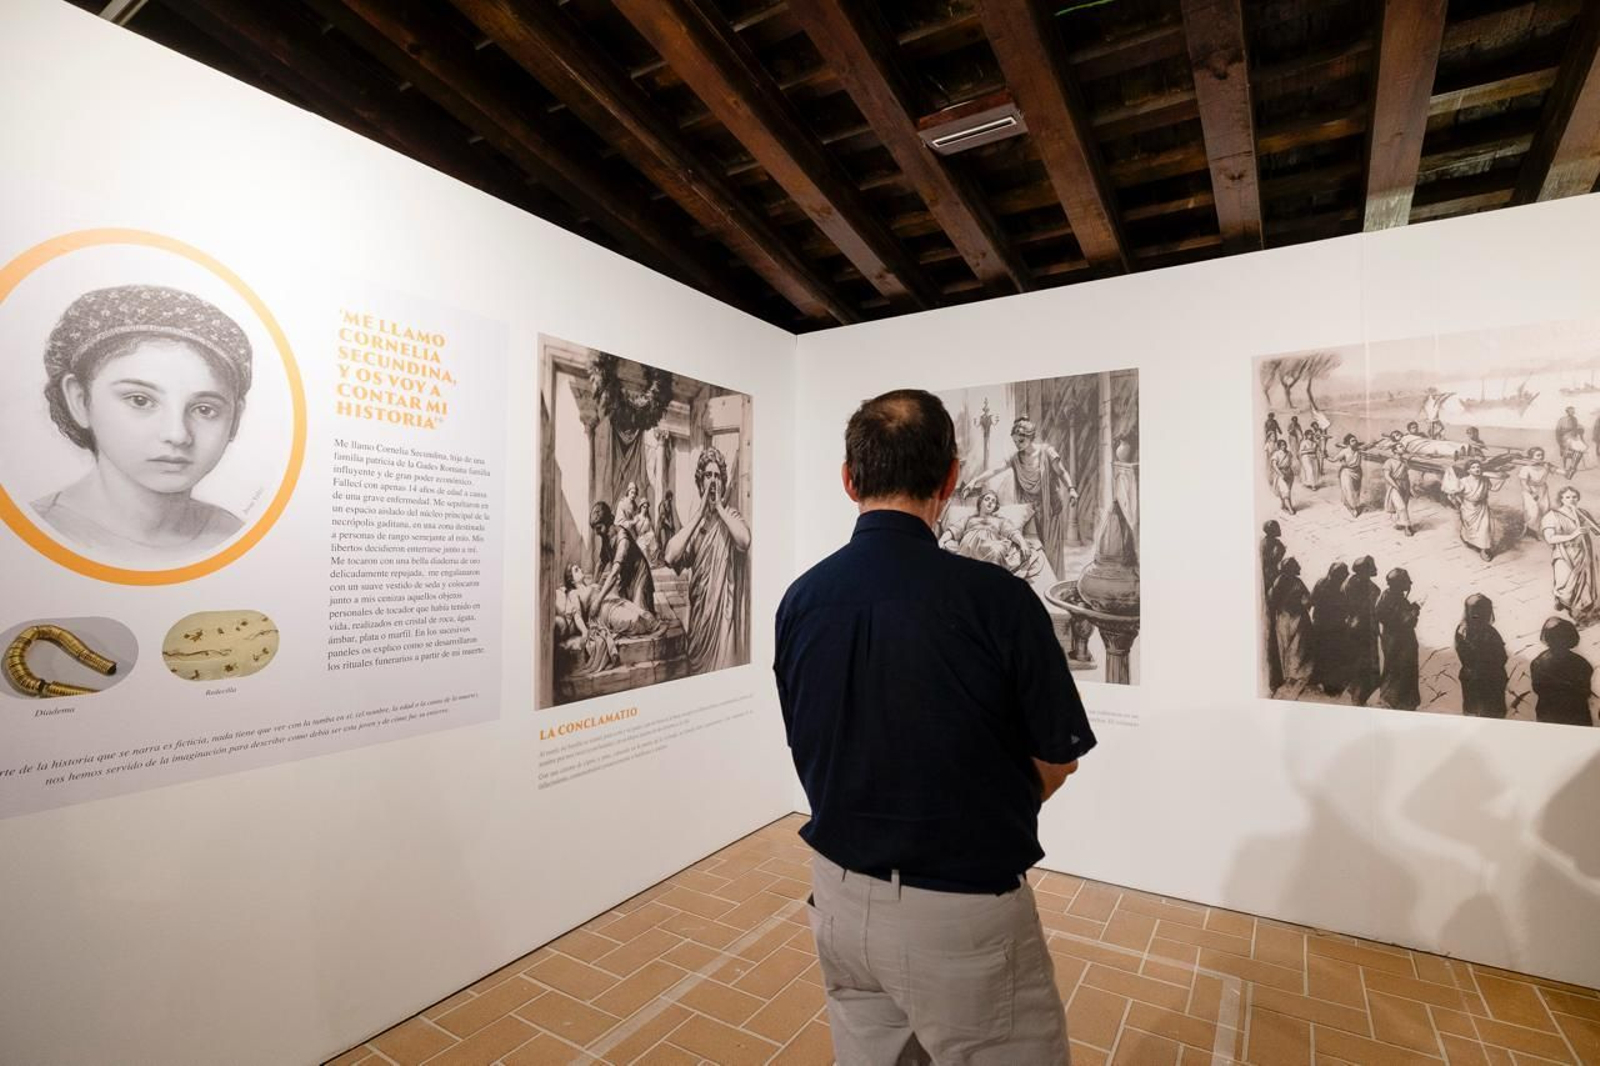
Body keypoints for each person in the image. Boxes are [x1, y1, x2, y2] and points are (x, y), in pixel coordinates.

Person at [775, 389, 1093, 1065]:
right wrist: (969, 806)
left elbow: (810, 736)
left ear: (848, 479)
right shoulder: (998, 600)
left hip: (836, 894)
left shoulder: (800, 600)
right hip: (963, 913)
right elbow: (1055, 760)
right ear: (950, 479)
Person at [30, 284, 254, 565]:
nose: (177, 434)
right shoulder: (42, 528)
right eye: (139, 400)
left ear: (235, 420)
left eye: (204, 409)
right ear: (79, 400)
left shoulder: (235, 535)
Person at [664, 446, 751, 675]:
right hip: (700, 619)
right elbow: (670, 555)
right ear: (700, 482)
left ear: (722, 482)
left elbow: (744, 540)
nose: (712, 482)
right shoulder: (697, 526)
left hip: (722, 618)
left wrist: (720, 509)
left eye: (717, 476)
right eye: (707, 476)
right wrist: (700, 514)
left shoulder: (730, 516)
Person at [959, 416, 1078, 577]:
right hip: (1028, 507)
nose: (1018, 444)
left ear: (1030, 437)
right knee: (1032, 545)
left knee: (1051, 548)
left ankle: (1053, 581)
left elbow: (1062, 472)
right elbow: (995, 470)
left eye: (1020, 441)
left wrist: (1071, 488)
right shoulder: (1016, 458)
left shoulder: (1047, 452)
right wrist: (974, 481)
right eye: (1015, 441)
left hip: (1050, 507)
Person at [939, 488, 1040, 578]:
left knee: (996, 550)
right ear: (980, 503)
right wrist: (941, 540)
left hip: (992, 546)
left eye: (993, 501)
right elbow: (953, 530)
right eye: (987, 499)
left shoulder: (1000, 521)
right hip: (970, 546)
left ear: (995, 506)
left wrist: (1022, 543)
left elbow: (1013, 533)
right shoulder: (969, 519)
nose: (990, 502)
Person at [590, 501, 657, 617]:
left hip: (639, 577)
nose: (596, 533)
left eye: (599, 528)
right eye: (595, 529)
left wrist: (598, 600)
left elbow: (615, 572)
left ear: (607, 522)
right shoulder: (606, 539)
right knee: (626, 614)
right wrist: (593, 588)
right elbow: (600, 563)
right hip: (626, 578)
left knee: (642, 616)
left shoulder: (622, 538)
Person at [1541, 486, 1597, 620]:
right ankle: (1561, 599)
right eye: (1567, 497)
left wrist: (1594, 527)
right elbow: (1550, 538)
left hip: (1583, 552)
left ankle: (1578, 610)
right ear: (1561, 499)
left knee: (1584, 584)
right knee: (1565, 584)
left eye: (1574, 497)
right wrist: (1573, 535)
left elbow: (1596, 529)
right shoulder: (1552, 515)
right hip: (1564, 554)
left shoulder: (1582, 512)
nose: (1572, 500)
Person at [1530, 617, 1595, 727]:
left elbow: (1537, 688)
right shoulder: (1581, 663)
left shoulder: (1538, 662)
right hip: (1576, 715)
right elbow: (1586, 690)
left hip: (1548, 714)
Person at [1375, 568, 1422, 710]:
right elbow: (1405, 621)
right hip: (1400, 641)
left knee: (1395, 668)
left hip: (1392, 639)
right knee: (1401, 668)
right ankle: (1396, 700)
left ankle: (1395, 699)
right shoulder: (1393, 598)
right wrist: (1414, 610)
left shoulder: (1388, 595)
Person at [1455, 594, 1507, 718]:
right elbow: (1501, 657)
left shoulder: (1461, 630)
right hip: (1490, 680)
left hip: (1469, 677)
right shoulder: (1489, 633)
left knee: (1472, 711)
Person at [1269, 558, 1313, 692]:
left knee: (1296, 646)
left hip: (1296, 618)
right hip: (1287, 617)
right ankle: (1289, 675)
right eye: (1295, 565)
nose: (1298, 567)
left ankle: (1294, 674)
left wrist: (1305, 603)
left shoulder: (1296, 582)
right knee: (1287, 645)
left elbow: (1306, 598)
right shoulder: (1281, 581)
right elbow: (1272, 598)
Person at [1342, 556, 1381, 705]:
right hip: (1362, 627)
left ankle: (1359, 691)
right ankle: (1359, 694)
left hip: (1359, 626)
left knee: (1361, 660)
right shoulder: (1364, 587)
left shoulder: (1353, 583)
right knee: (1363, 662)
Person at [1450, 459, 1505, 562]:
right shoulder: (1463, 481)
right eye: (1473, 467)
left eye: (1478, 467)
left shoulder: (1484, 479)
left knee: (1485, 528)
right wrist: (1459, 502)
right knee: (1471, 529)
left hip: (1482, 507)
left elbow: (1494, 488)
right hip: (1468, 508)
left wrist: (1503, 479)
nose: (1476, 469)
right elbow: (1454, 493)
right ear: (1468, 470)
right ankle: (1468, 539)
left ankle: (1485, 549)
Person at [1310, 562, 1351, 695]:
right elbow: (1313, 600)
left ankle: (1327, 684)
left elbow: (1312, 600)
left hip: (1328, 625)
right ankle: (1326, 685)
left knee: (1329, 656)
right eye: (1342, 574)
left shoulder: (1328, 584)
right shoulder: (1334, 586)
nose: (1344, 577)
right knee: (1328, 655)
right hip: (1328, 626)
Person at [614, 480, 659, 561]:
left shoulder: (634, 505)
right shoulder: (622, 504)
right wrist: (633, 522)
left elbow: (638, 522)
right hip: (622, 531)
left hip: (634, 534)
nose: (633, 495)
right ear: (628, 492)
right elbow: (619, 522)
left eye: (635, 493)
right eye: (632, 492)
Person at [1520, 447, 1554, 540]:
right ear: (1531, 456)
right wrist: (1532, 493)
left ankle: (1538, 531)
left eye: (1542, 455)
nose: (1541, 457)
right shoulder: (1526, 468)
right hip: (1530, 490)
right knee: (1533, 512)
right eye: (1538, 455)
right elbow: (1523, 483)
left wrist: (1570, 471)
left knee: (1544, 509)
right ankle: (1529, 529)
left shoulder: (1545, 466)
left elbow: (1561, 472)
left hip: (1543, 490)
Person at [1382, 441, 1414, 536]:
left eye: (1403, 446)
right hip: (1395, 485)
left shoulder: (1404, 461)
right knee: (1401, 506)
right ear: (1395, 450)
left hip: (1405, 484)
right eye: (1400, 447)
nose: (1403, 448)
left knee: (1404, 505)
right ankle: (1408, 527)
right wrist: (1396, 486)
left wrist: (1408, 487)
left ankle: (1400, 522)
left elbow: (1407, 474)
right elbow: (1387, 476)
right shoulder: (1389, 462)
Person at [1334, 434, 1364, 517]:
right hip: (1346, 472)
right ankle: (1353, 508)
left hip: (1357, 472)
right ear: (1348, 443)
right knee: (1349, 490)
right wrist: (1325, 456)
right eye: (1352, 441)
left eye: (1355, 440)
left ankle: (1349, 503)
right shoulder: (1344, 451)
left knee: (1356, 491)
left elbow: (1366, 446)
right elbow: (1334, 459)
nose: (1355, 442)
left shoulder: (1359, 450)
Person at [1557, 406, 1586, 479]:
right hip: (1565, 437)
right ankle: (1566, 467)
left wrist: (1579, 430)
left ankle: (1572, 467)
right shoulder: (1562, 419)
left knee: (1582, 448)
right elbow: (1558, 430)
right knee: (1567, 451)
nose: (1573, 412)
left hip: (1574, 437)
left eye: (1573, 411)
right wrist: (1560, 441)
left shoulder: (1575, 419)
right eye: (1571, 411)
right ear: (1567, 411)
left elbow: (1576, 428)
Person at [1269, 437, 1295, 514]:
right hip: (1280, 474)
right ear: (1279, 446)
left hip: (1289, 473)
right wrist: (1281, 474)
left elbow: (1290, 462)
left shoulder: (1289, 453)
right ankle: (1290, 509)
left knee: (1288, 491)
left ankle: (1283, 505)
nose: (1284, 446)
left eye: (1285, 444)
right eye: (1282, 445)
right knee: (1285, 490)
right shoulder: (1276, 454)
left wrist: (1289, 470)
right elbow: (1274, 465)